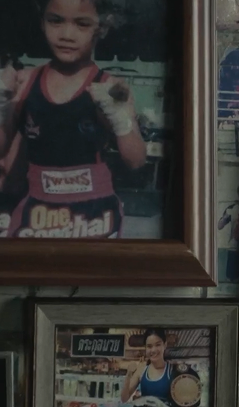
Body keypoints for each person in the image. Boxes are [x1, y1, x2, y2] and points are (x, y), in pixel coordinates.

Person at [0, 0, 147, 239]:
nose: (67, 35)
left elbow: (136, 161)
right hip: (37, 214)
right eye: (56, 21)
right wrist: (2, 107)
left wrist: (120, 118)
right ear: (42, 22)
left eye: (81, 24)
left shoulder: (108, 87)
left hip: (93, 215)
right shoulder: (24, 83)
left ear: (101, 28)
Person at [121, 329, 196, 407]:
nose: (153, 350)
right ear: (146, 348)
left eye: (158, 345)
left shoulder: (174, 371)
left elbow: (195, 398)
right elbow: (124, 398)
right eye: (149, 346)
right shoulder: (142, 370)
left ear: (165, 345)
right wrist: (128, 375)